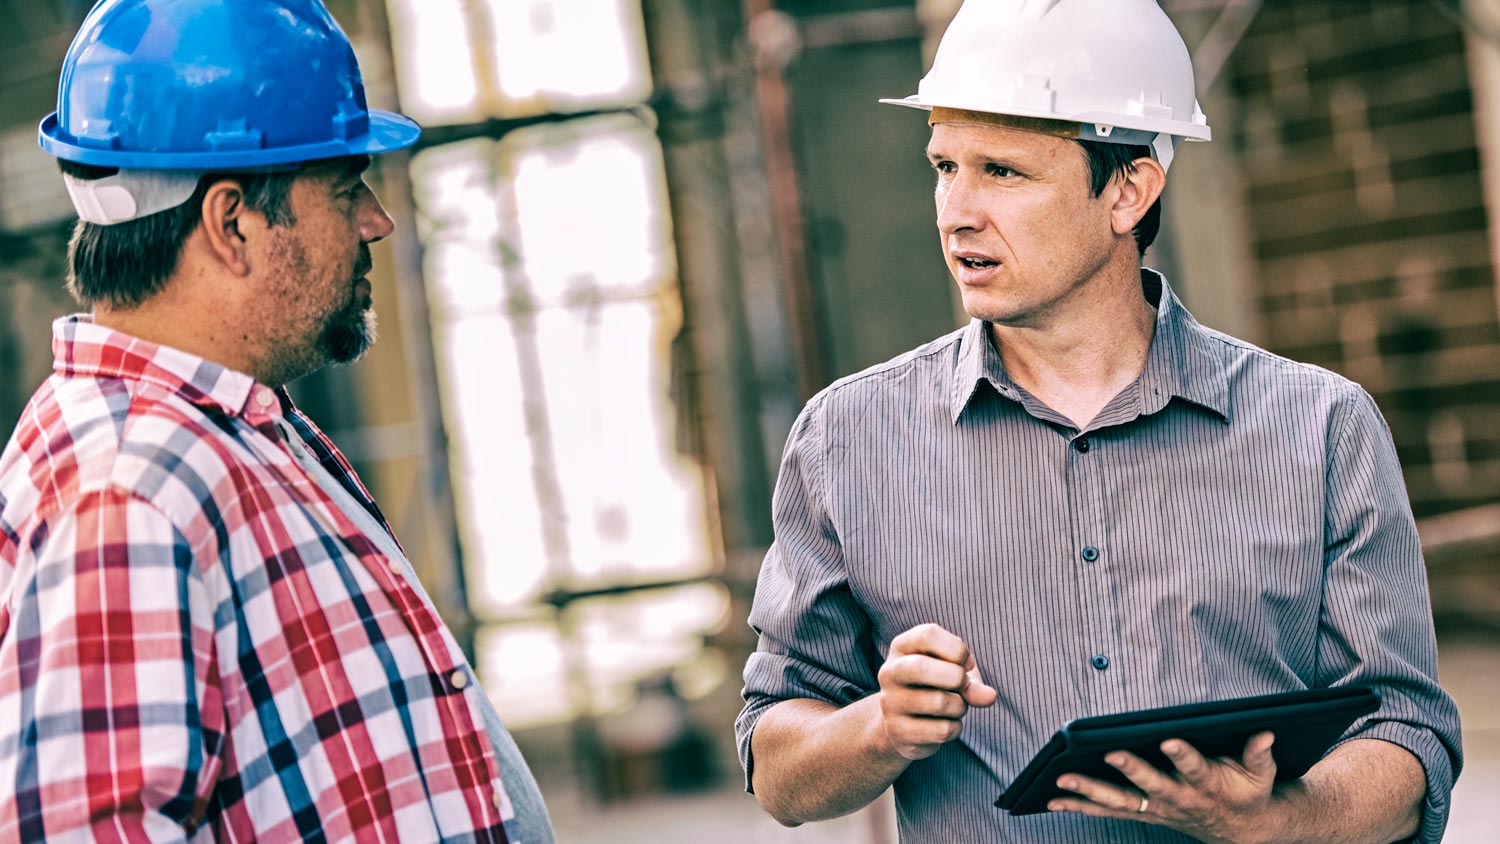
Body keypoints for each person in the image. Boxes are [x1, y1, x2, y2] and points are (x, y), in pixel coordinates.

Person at [734, 0, 1462, 841]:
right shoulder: (846, 442)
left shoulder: (1322, 430)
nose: (955, 211)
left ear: (1128, 190)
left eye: (1003, 172)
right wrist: (880, 726)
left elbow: (1408, 736)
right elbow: (778, 770)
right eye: (944, 166)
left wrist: (1278, 820)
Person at [0, 1, 553, 841]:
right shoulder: (128, 491)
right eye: (344, 187)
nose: (377, 218)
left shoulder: (228, 430)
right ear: (233, 224)